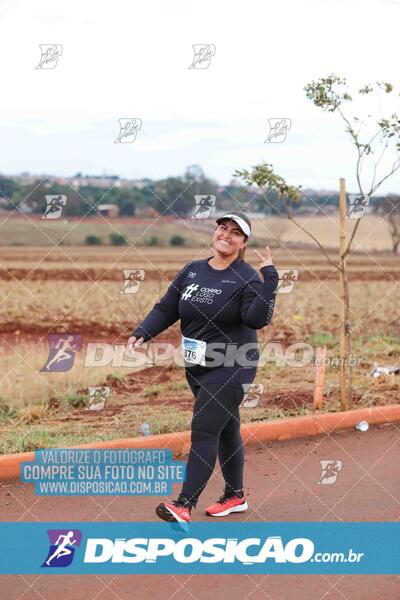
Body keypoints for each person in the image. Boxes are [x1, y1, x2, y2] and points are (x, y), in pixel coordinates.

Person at [127, 211, 279, 523]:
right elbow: (168, 306)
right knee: (226, 429)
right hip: (198, 365)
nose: (226, 234)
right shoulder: (193, 271)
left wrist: (270, 280)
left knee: (205, 430)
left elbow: (256, 320)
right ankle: (235, 496)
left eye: (235, 232)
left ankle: (184, 504)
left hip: (233, 364)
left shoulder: (247, 277)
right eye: (223, 228)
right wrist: (144, 331)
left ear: (243, 242)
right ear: (215, 232)